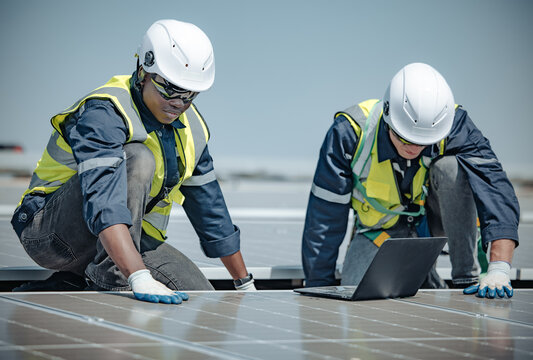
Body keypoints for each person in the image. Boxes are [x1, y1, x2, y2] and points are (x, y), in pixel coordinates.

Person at [11, 19, 256, 304]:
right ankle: (109, 276)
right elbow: (103, 203)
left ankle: (77, 280)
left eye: (190, 94)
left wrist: (243, 284)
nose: (180, 102)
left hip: (128, 237)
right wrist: (137, 276)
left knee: (199, 293)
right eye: (171, 89)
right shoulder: (105, 111)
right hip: (51, 234)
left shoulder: (193, 129)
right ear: (143, 71)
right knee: (138, 158)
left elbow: (211, 213)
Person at [301, 62, 519, 299]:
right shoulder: (349, 133)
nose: (413, 147)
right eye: (404, 138)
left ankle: (464, 278)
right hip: (379, 233)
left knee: (450, 168)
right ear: (388, 117)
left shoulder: (454, 125)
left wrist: (499, 266)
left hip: (433, 229)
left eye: (424, 141)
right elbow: (325, 217)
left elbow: (495, 187)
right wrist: (318, 289)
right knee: (357, 297)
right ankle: (426, 278)